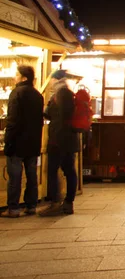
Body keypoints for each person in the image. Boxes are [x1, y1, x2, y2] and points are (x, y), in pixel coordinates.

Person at [1, 65, 44, 218]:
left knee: (15, 177)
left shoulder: (17, 93)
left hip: (17, 142)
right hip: (33, 143)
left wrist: (8, 141)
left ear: (23, 78)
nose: (14, 77)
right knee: (32, 175)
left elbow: (13, 120)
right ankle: (31, 205)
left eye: (16, 75)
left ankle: (13, 208)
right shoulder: (38, 95)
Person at [38, 70, 79, 216]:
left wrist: (56, 139)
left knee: (56, 170)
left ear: (56, 79)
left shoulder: (62, 93)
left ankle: (58, 203)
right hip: (65, 139)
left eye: (51, 79)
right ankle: (65, 203)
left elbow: (63, 117)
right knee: (67, 170)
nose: (49, 82)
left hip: (60, 140)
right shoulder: (62, 93)